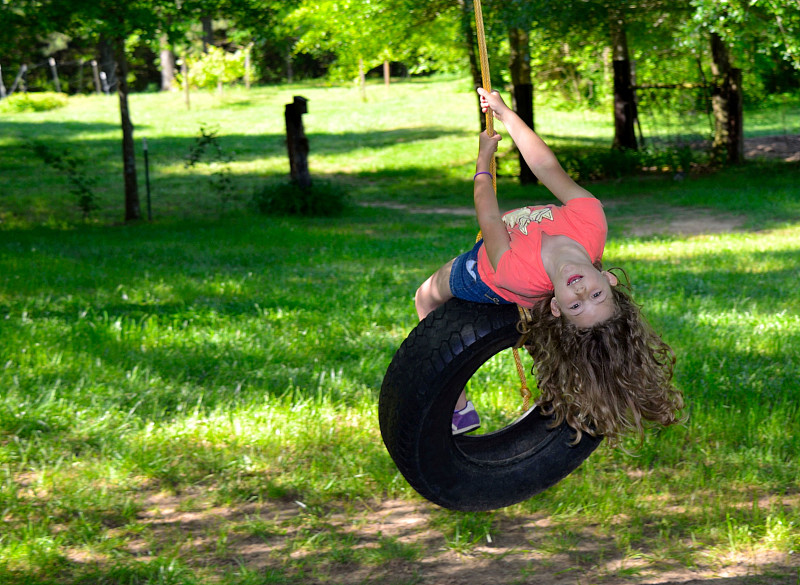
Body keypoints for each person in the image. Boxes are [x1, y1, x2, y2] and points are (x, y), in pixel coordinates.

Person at [415, 87, 683, 444]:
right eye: (596, 294)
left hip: (486, 273)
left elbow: (489, 219)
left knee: (425, 298)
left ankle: (459, 408)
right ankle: (543, 349)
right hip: (520, 262)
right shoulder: (591, 223)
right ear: (608, 279)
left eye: (575, 304)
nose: (581, 291)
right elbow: (546, 167)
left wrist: (483, 163)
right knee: (544, 332)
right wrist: (505, 113)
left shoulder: (517, 273)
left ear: (557, 304)